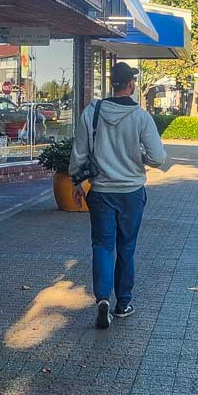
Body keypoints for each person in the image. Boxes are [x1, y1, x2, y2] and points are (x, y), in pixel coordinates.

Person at [70, 61, 168, 329]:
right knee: (127, 247)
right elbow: (158, 158)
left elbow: (79, 151)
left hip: (101, 191)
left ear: (112, 84)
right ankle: (123, 303)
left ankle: (102, 299)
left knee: (102, 246)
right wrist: (140, 157)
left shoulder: (93, 112)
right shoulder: (141, 117)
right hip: (132, 192)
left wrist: (77, 182)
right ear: (131, 84)